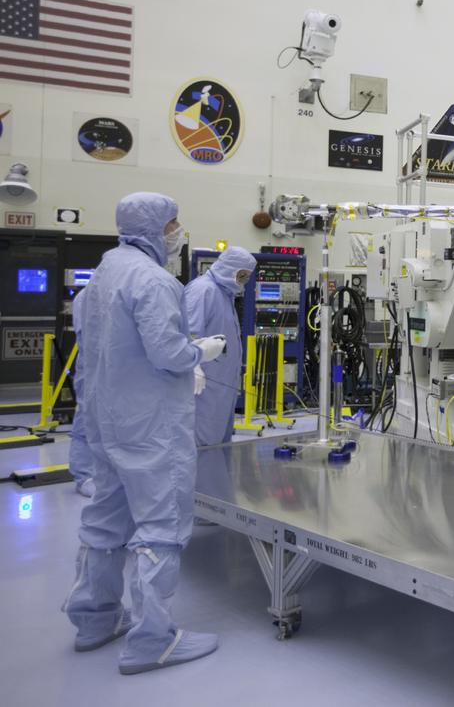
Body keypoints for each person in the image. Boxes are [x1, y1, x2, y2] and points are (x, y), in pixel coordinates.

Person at [63, 192, 227, 674]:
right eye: (174, 222)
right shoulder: (153, 280)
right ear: (155, 227)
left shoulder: (104, 274)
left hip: (106, 421)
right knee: (161, 527)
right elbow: (167, 353)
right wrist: (201, 352)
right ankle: (152, 640)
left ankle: (94, 620)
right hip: (150, 426)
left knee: (104, 522)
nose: (178, 231)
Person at [184, 246, 256, 447]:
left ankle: (215, 479)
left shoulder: (224, 294)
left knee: (218, 446)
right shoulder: (203, 290)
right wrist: (193, 365)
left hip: (221, 388)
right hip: (204, 388)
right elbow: (188, 334)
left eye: (247, 277)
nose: (243, 282)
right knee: (203, 447)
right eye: (241, 275)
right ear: (228, 268)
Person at [68, 291, 95, 497]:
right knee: (86, 420)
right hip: (92, 370)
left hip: (115, 373)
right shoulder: (86, 297)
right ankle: (84, 476)